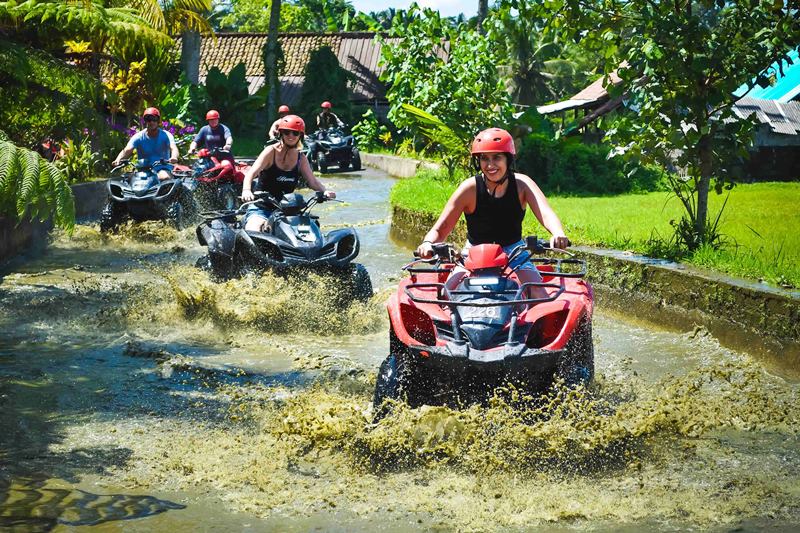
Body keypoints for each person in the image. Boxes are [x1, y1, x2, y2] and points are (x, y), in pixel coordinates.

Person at [416, 127, 570, 297]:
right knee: (446, 293)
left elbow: (546, 213)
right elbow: (441, 227)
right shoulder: (469, 188)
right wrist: (427, 243)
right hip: (474, 251)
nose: (490, 165)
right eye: (484, 158)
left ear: (508, 159)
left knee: (538, 292)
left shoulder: (522, 185)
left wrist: (558, 233)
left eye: (497, 157)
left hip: (514, 251)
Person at [240, 114, 336, 232]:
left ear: (300, 135)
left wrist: (324, 191)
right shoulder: (270, 151)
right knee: (254, 230)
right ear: (281, 133)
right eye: (287, 132)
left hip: (288, 212)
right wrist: (246, 190)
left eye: (295, 133)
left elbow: (313, 182)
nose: (291, 136)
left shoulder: (301, 158)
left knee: (311, 231)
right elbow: (251, 174)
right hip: (262, 209)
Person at [112, 107, 178, 181]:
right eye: (148, 119)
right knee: (127, 180)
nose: (151, 122)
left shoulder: (166, 135)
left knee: (164, 177)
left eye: (154, 119)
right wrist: (118, 159)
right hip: (143, 170)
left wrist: (174, 157)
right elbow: (127, 150)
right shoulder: (138, 136)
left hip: (162, 169)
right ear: (145, 121)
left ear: (158, 121)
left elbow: (173, 148)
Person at [188, 109, 235, 179]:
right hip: (210, 157)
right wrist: (192, 148)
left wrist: (228, 145)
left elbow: (229, 137)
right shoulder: (204, 129)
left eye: (215, 119)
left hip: (224, 156)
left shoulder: (223, 128)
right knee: (199, 169)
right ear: (208, 120)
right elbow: (195, 141)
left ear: (218, 119)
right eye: (211, 120)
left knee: (228, 167)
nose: (213, 121)